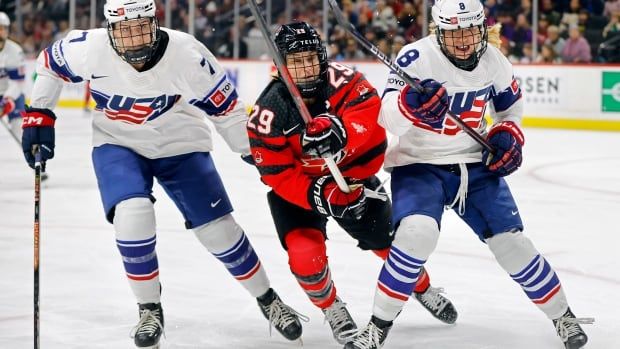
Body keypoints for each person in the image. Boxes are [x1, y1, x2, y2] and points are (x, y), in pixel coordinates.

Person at [20, 1, 303, 348]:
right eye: (124, 30)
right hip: (118, 142)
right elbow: (49, 64)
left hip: (180, 142)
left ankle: (268, 298)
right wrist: (40, 115)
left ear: (154, 23)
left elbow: (227, 112)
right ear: (110, 29)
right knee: (132, 215)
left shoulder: (187, 54)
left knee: (219, 231)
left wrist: (254, 152)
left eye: (140, 27)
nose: (134, 39)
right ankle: (149, 308)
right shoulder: (89, 48)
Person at [345, 1, 593, 348]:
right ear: (438, 32)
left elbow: (510, 108)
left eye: (469, 31)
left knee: (513, 244)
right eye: (453, 33)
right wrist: (409, 106)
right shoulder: (416, 59)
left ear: (481, 28)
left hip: (475, 165)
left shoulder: (495, 62)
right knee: (416, 236)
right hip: (419, 163)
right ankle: (377, 326)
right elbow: (387, 118)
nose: (462, 40)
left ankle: (563, 316)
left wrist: (508, 133)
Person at [246, 22, 458, 345]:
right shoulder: (268, 111)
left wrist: (341, 132)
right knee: (305, 257)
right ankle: (332, 308)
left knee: (392, 246)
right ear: (279, 65)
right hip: (302, 192)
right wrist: (319, 194)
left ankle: (422, 286)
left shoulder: (344, 82)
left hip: (352, 180)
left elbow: (372, 123)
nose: (305, 69)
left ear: (322, 57)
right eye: (295, 61)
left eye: (310, 59)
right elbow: (277, 175)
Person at [0, 12, 26, 150]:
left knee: (19, 127)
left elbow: (18, 82)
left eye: (3, 28)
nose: (1, 31)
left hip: (10, 95)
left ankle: (33, 158)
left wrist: (7, 99)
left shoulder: (15, 51)